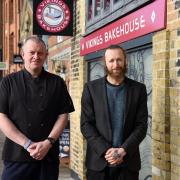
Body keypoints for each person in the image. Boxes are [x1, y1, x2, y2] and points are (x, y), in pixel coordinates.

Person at [0, 36, 74, 180]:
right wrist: (27, 144)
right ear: (23, 55)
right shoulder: (8, 82)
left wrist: (48, 142)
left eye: (40, 53)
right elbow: (2, 117)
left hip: (48, 156)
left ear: (46, 55)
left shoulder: (57, 82)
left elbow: (63, 115)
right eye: (32, 52)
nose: (36, 56)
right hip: (17, 155)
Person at [81, 45, 148, 180]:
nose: (116, 64)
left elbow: (141, 125)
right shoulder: (91, 89)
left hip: (128, 163)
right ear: (105, 63)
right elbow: (86, 125)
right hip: (98, 163)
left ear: (125, 61)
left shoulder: (138, 89)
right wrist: (107, 151)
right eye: (111, 61)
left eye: (119, 60)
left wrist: (123, 150)